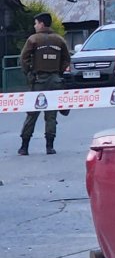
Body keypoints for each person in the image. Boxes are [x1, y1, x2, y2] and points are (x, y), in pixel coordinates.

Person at [18, 13, 70, 155]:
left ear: (41, 24)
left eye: (36, 23)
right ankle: (50, 146)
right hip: (55, 81)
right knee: (51, 115)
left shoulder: (33, 39)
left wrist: (29, 73)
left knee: (32, 113)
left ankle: (24, 147)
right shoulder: (59, 40)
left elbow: (23, 58)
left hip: (38, 80)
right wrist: (58, 72)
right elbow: (67, 59)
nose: (35, 26)